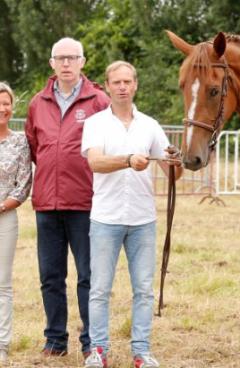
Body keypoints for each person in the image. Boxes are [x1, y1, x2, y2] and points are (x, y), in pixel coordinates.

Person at [81, 61, 183, 368]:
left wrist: (177, 161)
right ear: (108, 86)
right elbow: (95, 163)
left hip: (142, 219)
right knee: (100, 289)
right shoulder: (96, 123)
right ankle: (98, 351)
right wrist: (127, 160)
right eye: (117, 82)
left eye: (128, 81)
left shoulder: (150, 125)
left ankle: (141, 351)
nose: (123, 87)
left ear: (135, 85)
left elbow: (172, 171)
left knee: (143, 289)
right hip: (106, 218)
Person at [24, 37, 110, 358]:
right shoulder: (36, 103)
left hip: (87, 203)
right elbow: (36, 148)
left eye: (72, 58)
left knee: (89, 276)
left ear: (83, 62)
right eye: (60, 58)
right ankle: (55, 341)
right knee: (50, 276)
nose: (66, 64)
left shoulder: (99, 101)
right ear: (51, 64)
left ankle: (91, 342)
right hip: (46, 204)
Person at [0, 82, 32, 362]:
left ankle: (1, 343)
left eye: (6, 103)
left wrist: (1, 206)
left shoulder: (20, 142)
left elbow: (22, 186)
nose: (2, 108)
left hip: (4, 218)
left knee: (2, 283)